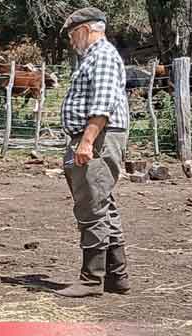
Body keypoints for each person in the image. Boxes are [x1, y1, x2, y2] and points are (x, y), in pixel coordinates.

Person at [55, 7, 130, 297]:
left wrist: (87, 141)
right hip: (96, 136)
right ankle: (116, 276)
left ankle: (91, 279)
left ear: (85, 30)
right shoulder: (95, 57)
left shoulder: (103, 56)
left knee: (92, 206)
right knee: (103, 202)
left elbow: (103, 103)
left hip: (97, 137)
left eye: (72, 34)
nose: (71, 41)